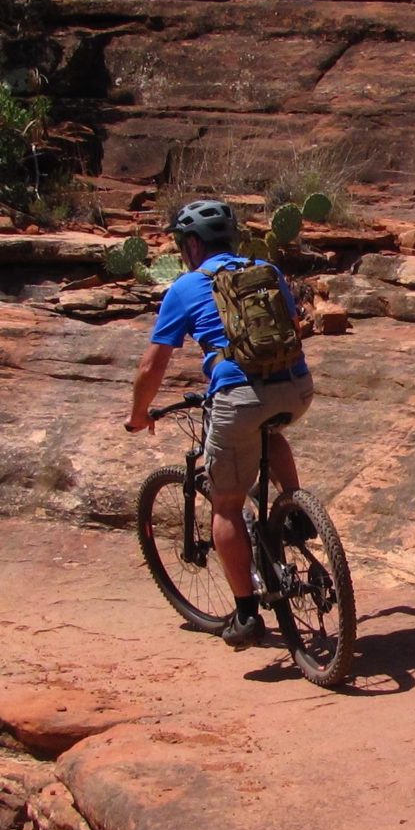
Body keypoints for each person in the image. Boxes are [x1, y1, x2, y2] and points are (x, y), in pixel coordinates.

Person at [125, 199, 314, 648]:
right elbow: (290, 326)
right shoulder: (266, 271)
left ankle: (246, 614)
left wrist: (137, 416)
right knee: (270, 431)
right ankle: (295, 512)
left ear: (191, 244)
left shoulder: (185, 287)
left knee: (226, 505)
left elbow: (152, 367)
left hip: (239, 398)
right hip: (297, 386)